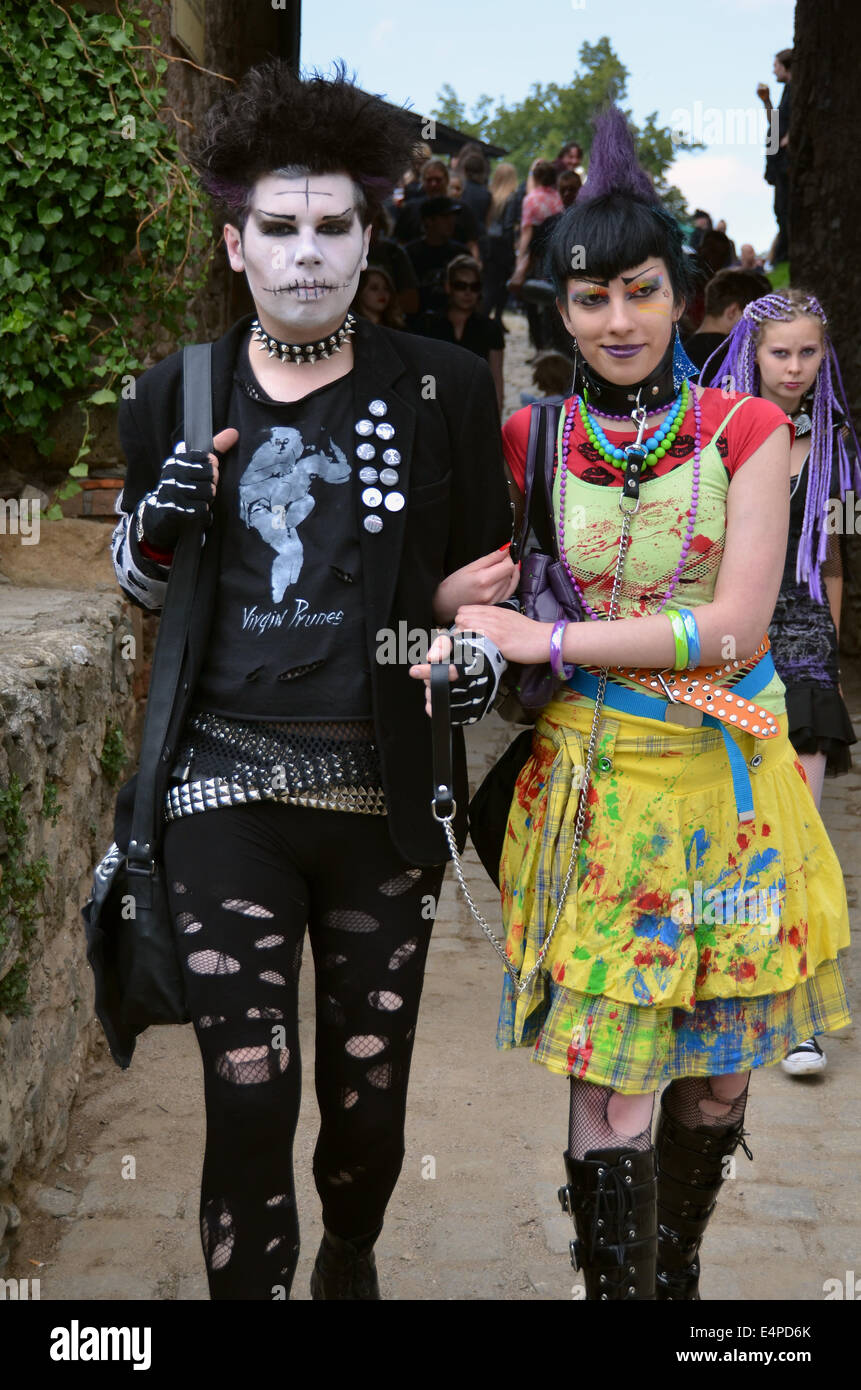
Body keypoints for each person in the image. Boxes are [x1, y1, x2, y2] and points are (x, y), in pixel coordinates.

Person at [412, 106, 851, 1301]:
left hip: (732, 793)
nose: (618, 321)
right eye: (591, 297)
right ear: (558, 307)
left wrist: (549, 633)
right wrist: (462, 607)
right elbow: (462, 594)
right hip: (595, 797)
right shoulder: (528, 437)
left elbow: (737, 626)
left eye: (642, 292)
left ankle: (678, 1273)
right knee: (613, 1075)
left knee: (716, 1078)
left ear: (681, 298)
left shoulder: (745, 431)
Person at [109, 60, 516, 1302]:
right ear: (236, 244)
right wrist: (159, 527)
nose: (305, 256)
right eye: (277, 230)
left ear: (365, 237)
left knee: (364, 1108)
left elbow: (485, 593)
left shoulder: (444, 389)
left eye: (331, 227)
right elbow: (136, 585)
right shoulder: (175, 392)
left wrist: (462, 660)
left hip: (383, 802)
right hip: (221, 789)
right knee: (247, 1097)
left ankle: (350, 1249)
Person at [705, 288, 860, 1077]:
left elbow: (828, 557)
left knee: (799, 824)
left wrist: (825, 651)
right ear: (751, 353)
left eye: (808, 353)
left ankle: (798, 1015)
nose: (795, 367)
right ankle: (723, 986)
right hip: (725, 632)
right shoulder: (712, 429)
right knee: (727, 824)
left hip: (797, 638)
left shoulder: (831, 439)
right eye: (780, 353)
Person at [416, 254, 504, 408]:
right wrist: (427, 409)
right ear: (448, 287)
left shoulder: (491, 329)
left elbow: (496, 378)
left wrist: (494, 418)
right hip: (437, 407)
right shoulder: (429, 325)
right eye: (460, 286)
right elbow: (424, 372)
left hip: (475, 408)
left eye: (474, 287)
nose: (467, 292)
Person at [684, 268, 772, 371]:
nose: (759, 325)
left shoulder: (679, 354)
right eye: (757, 316)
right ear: (732, 312)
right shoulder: (744, 358)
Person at [392, 158, 481, 257]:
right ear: (423, 182)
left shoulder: (462, 209)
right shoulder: (410, 209)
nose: (433, 184)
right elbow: (400, 242)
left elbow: (472, 243)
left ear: (446, 180)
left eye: (438, 180)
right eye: (429, 180)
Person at [404, 197, 469, 317]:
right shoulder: (409, 253)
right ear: (429, 221)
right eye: (445, 217)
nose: (451, 222)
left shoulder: (461, 253)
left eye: (453, 217)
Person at [757, 49, 792, 264]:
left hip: (788, 161)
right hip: (779, 162)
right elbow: (777, 124)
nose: (773, 70)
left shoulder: (798, 89)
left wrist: (792, 136)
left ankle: (784, 257)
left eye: (776, 65)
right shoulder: (787, 90)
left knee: (785, 208)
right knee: (780, 209)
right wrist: (766, 101)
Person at [483, 161, 520, 323]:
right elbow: (508, 226)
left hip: (489, 245)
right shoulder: (511, 198)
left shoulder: (490, 196)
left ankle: (485, 316)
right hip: (503, 248)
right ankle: (497, 317)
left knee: (489, 285)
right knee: (501, 286)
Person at [352, 264, 405, 329]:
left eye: (386, 288)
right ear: (359, 292)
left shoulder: (398, 328)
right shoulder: (349, 329)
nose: (382, 293)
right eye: (374, 288)